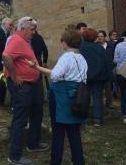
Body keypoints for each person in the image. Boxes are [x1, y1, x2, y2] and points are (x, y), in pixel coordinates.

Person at [29, 29, 87, 165]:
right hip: (76, 98)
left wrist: (36, 67)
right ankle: (79, 161)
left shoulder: (66, 56)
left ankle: (55, 162)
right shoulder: (81, 57)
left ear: (65, 42)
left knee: (58, 133)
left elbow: (55, 75)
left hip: (62, 99)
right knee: (74, 133)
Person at [3, 16, 48, 165]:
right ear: (22, 28)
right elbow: (6, 56)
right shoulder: (16, 39)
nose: (34, 32)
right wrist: (14, 76)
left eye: (34, 29)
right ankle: (14, 156)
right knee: (21, 118)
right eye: (32, 29)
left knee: (37, 112)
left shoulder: (25, 41)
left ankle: (33, 143)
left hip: (33, 85)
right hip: (23, 86)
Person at [80, 28, 109, 127]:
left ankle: (83, 119)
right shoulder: (99, 48)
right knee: (98, 97)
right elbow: (106, 61)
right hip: (99, 76)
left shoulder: (81, 47)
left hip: (85, 76)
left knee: (84, 97)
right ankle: (98, 120)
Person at [0, 17, 14, 110]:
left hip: (3, 62)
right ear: (5, 24)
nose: (11, 26)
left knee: (3, 81)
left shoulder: (5, 33)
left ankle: (1, 101)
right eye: (10, 25)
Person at [97, 30, 116, 109]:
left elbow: (114, 55)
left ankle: (109, 103)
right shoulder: (96, 46)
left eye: (101, 36)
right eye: (99, 36)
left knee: (109, 88)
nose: (100, 38)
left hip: (108, 70)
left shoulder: (110, 45)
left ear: (105, 37)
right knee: (99, 89)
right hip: (99, 71)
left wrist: (113, 65)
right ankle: (100, 105)